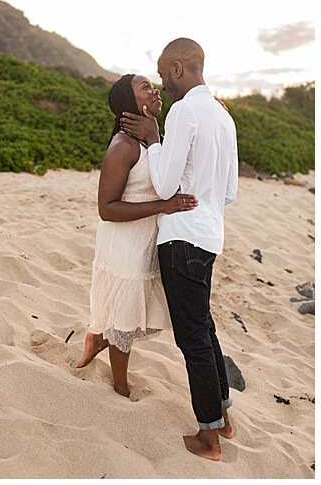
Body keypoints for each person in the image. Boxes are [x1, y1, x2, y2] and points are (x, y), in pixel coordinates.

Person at [120, 37, 239, 461]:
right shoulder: (224, 117)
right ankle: (223, 418)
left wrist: (154, 139)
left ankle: (208, 438)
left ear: (176, 68)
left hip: (182, 236)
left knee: (193, 339)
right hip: (209, 235)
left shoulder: (185, 110)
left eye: (161, 73)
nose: (160, 85)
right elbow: (229, 192)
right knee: (204, 327)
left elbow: (166, 186)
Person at [74, 74, 198, 398]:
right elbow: (106, 208)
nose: (154, 89)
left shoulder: (153, 141)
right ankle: (120, 387)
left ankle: (99, 338)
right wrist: (164, 206)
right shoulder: (123, 145)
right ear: (132, 103)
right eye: (145, 87)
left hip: (147, 240)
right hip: (123, 243)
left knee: (136, 316)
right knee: (124, 316)